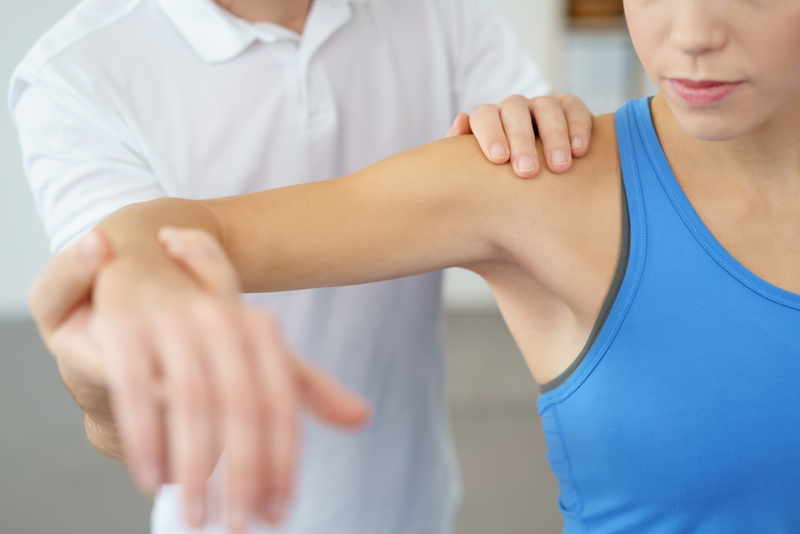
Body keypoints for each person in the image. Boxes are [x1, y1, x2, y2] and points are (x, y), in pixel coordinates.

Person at [30, 0, 800, 531]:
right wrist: (137, 281)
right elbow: (145, 271)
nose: (693, 32)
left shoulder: (437, 16)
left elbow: (551, 130)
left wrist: (542, 120)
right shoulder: (77, 73)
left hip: (417, 506)